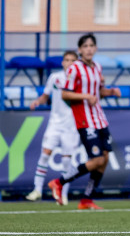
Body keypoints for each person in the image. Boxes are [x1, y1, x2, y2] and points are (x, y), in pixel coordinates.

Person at [48, 33, 121, 210]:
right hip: (84, 119)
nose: (88, 49)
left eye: (91, 45)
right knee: (96, 160)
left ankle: (86, 199)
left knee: (104, 158)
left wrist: (110, 92)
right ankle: (59, 182)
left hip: (100, 118)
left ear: (95, 48)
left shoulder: (97, 67)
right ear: (80, 50)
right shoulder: (74, 68)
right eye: (85, 46)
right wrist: (85, 96)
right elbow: (65, 93)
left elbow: (99, 91)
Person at [25, 50, 81, 204]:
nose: (69, 63)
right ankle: (37, 190)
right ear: (62, 62)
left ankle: (63, 195)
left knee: (66, 161)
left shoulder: (80, 80)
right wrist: (38, 101)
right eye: (66, 60)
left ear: (77, 64)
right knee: (45, 154)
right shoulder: (55, 78)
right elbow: (45, 96)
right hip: (55, 123)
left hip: (72, 125)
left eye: (72, 60)